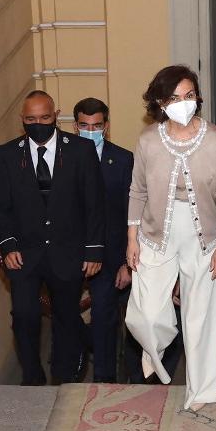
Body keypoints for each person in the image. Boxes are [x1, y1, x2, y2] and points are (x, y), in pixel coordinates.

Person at [125, 66, 216, 410]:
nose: (183, 103)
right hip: (155, 231)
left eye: (189, 96)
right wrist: (131, 239)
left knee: (201, 316)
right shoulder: (147, 141)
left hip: (206, 234)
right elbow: (137, 191)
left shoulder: (215, 139)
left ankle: (201, 391)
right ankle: (154, 344)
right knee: (144, 315)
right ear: (160, 101)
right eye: (174, 98)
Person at [0, 90, 105, 385]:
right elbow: (1, 208)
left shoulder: (80, 150)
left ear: (55, 115)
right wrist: (8, 244)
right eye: (31, 119)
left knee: (66, 318)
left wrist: (94, 250)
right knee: (25, 316)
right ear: (22, 120)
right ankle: (32, 377)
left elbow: (94, 203)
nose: (38, 123)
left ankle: (64, 378)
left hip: (68, 252)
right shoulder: (7, 153)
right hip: (24, 255)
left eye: (44, 117)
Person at [72, 97, 134, 383]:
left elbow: (131, 213)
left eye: (96, 125)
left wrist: (126, 262)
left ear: (106, 126)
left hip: (111, 256)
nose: (90, 130)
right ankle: (75, 366)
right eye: (84, 125)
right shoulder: (62, 157)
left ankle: (104, 381)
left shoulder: (122, 159)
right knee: (67, 318)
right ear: (76, 126)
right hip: (71, 254)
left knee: (106, 320)